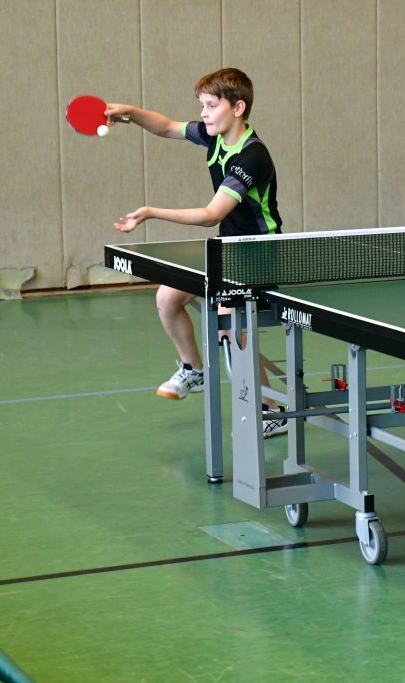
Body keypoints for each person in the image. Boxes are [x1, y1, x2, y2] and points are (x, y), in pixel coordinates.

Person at [107, 67, 287, 437]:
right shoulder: (213, 136)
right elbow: (166, 127)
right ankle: (195, 370)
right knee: (167, 298)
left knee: (230, 327)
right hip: (226, 250)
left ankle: (271, 411)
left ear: (237, 108)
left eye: (211, 105)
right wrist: (130, 113)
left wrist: (151, 211)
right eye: (202, 106)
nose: (203, 114)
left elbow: (210, 215)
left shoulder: (252, 157)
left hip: (259, 254)